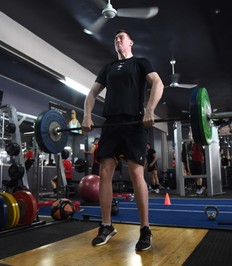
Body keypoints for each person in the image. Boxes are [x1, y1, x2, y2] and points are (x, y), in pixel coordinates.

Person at [82, 29, 164, 251]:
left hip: (134, 123)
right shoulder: (108, 68)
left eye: (122, 38)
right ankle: (106, 225)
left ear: (131, 42)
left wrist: (150, 109)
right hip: (111, 123)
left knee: (136, 173)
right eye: (115, 38)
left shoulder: (140, 63)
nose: (117, 40)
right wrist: (87, 115)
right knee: (105, 172)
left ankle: (145, 229)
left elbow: (158, 83)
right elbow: (91, 94)